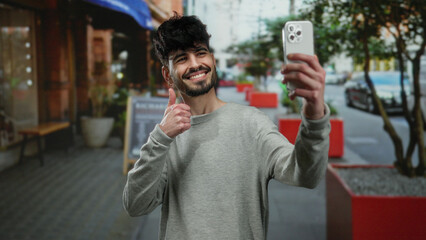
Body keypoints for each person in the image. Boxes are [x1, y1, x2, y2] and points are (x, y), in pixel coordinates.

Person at [123, 14, 330, 240]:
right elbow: (135, 205)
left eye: (201, 53)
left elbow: (305, 174)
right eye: (182, 58)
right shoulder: (166, 137)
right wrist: (160, 138)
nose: (195, 64)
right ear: (168, 75)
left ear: (212, 60)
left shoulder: (251, 123)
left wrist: (314, 115)